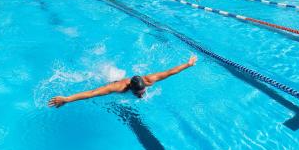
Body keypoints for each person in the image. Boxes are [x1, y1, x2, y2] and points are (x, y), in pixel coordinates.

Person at [48, 56, 198, 108]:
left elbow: (170, 72)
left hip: (126, 78)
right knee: (103, 72)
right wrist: (67, 99)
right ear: (131, 89)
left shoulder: (149, 80)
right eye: (137, 93)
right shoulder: (118, 88)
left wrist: (188, 64)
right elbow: (91, 93)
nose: (141, 96)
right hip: (112, 77)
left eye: (142, 92)